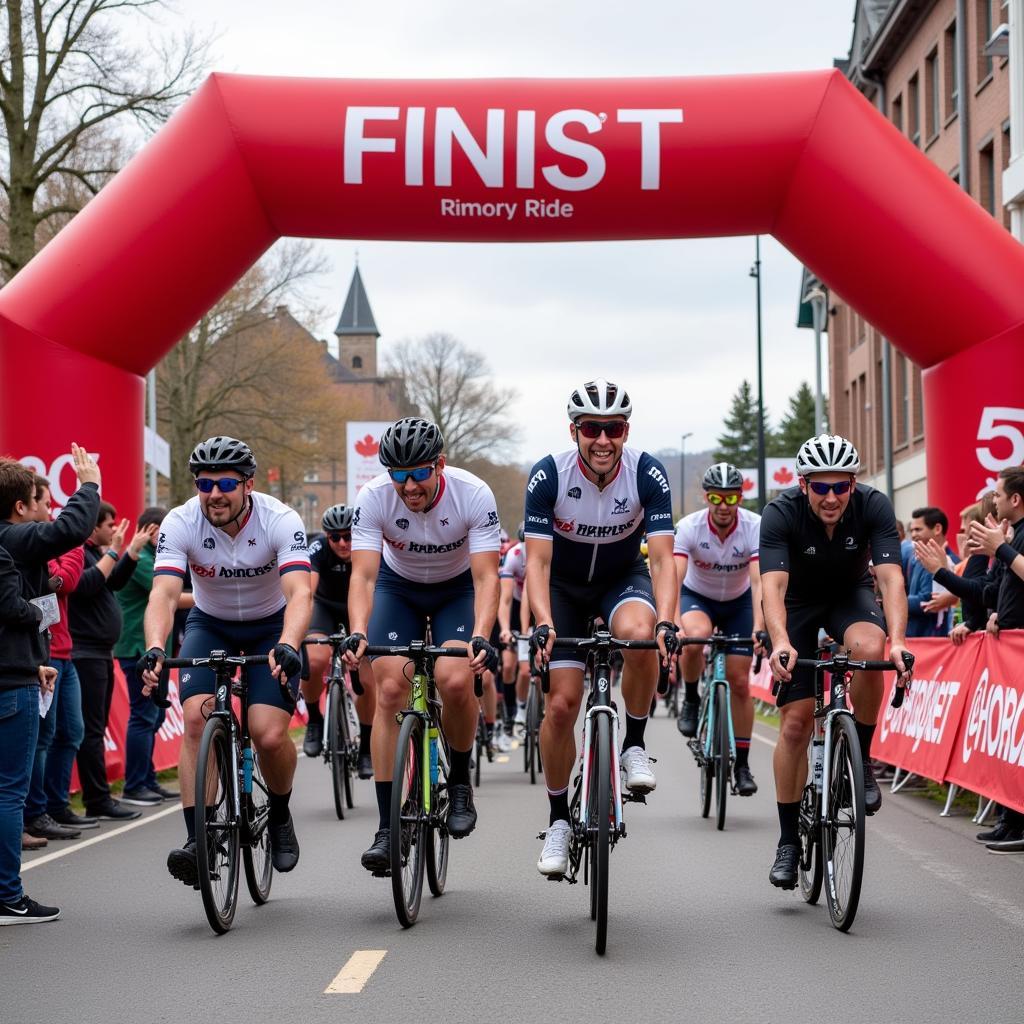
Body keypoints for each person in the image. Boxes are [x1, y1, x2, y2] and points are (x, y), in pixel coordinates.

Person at [138, 436, 312, 886]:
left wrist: (290, 643)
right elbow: (164, 593)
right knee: (196, 720)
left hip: (270, 624)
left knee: (268, 734)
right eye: (204, 483)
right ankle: (197, 840)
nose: (214, 493)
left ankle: (278, 811)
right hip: (210, 623)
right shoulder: (181, 521)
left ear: (248, 484)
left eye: (225, 484)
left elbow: (299, 591)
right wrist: (156, 646)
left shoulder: (280, 519)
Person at [525, 379, 678, 877]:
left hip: (620, 579)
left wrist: (668, 622)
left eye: (613, 429)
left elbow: (661, 558)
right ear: (575, 432)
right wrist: (544, 623)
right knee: (562, 704)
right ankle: (557, 821)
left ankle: (633, 742)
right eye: (592, 428)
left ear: (625, 430)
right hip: (564, 589)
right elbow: (537, 566)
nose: (603, 440)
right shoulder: (548, 475)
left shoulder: (647, 472)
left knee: (640, 632)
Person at [343, 417, 500, 874]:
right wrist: (357, 628)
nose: (408, 486)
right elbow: (365, 575)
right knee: (389, 689)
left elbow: (488, 575)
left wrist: (481, 636)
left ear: (440, 465)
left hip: (457, 590)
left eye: (418, 474)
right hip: (398, 587)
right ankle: (387, 828)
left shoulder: (473, 494)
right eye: (398, 475)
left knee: (454, 680)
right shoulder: (373, 497)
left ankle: (461, 782)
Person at [760, 434, 912, 890]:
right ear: (803, 484)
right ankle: (788, 842)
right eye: (821, 487)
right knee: (794, 724)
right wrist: (781, 640)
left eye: (840, 487)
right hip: (800, 604)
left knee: (870, 648)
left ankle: (861, 760)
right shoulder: (780, 512)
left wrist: (899, 640)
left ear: (853, 484)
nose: (831, 497)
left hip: (850, 596)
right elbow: (772, 589)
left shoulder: (874, 506)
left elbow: (891, 578)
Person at [0, 444, 101, 923]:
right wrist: (88, 483)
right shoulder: (13, 540)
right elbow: (71, 530)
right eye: (36, 503)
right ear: (20, 507)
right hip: (9, 684)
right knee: (9, 793)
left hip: (19, 669)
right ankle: (7, 895)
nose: (43, 513)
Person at [674, 462, 764, 796]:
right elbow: (676, 575)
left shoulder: (754, 526)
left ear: (740, 497)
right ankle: (693, 697)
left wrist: (759, 626)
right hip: (698, 597)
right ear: (706, 497)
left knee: (741, 683)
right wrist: (671, 623)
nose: (723, 506)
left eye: (730, 499)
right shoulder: (689, 527)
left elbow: (758, 581)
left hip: (739, 601)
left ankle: (741, 764)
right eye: (715, 498)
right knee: (695, 640)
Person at [68, 501, 150, 821]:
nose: (114, 529)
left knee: (96, 728)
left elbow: (113, 582)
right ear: (92, 526)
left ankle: (98, 796)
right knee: (89, 729)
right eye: (108, 524)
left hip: (101, 651)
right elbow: (87, 585)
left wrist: (129, 553)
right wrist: (116, 552)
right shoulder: (77, 551)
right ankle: (97, 799)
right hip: (84, 651)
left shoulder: (96, 554)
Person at [21, 477, 87, 844]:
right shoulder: (31, 544)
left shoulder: (52, 541)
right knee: (42, 738)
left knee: (70, 732)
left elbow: (67, 577)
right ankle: (36, 813)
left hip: (64, 651)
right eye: (44, 502)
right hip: (43, 655)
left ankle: (55, 805)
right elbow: (59, 580)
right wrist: (72, 547)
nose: (50, 510)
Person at [962, 467, 1024, 854]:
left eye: (999, 493)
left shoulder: (1014, 538)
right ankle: (1009, 818)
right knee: (1010, 743)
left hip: (1018, 649)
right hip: (1008, 649)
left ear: (1015, 499)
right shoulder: (1011, 536)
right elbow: (991, 591)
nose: (995, 499)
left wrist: (1000, 548)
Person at [300, 503, 375, 779]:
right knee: (315, 657)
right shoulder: (318, 550)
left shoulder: (368, 547)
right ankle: (314, 719)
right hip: (325, 607)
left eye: (348, 536)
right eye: (335, 537)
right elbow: (307, 591)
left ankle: (366, 747)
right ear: (326, 536)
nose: (343, 543)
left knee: (367, 679)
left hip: (361, 607)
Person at [114, 507, 181, 806]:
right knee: (143, 716)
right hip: (138, 649)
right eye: (163, 531)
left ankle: (148, 777)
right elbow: (170, 595)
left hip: (157, 650)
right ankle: (135, 784)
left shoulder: (154, 558)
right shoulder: (141, 561)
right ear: (151, 530)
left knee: (156, 715)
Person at [497, 522, 532, 733]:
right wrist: (505, 629)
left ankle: (536, 706)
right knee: (509, 666)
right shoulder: (515, 555)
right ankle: (513, 710)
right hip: (516, 608)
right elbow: (506, 600)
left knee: (528, 671)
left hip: (539, 607)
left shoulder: (550, 552)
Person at [905, 507, 956, 637]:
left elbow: (928, 600)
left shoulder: (953, 561)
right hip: (917, 637)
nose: (913, 535)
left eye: (918, 529)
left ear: (937, 529)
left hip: (935, 640)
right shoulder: (914, 560)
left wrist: (895, 602)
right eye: (911, 530)